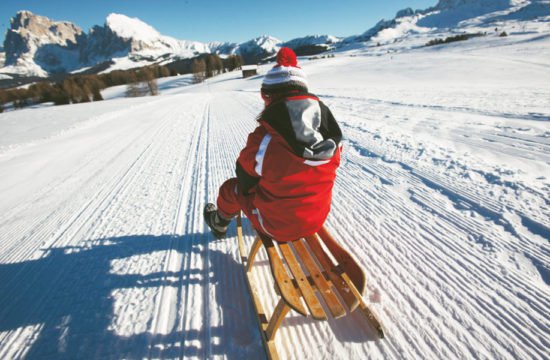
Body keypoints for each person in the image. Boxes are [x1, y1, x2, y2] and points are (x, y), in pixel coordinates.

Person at [204, 47, 342, 242]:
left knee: (231, 189)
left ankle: (218, 222)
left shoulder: (265, 139)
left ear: (267, 97)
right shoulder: (330, 133)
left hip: (275, 228)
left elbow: (244, 178)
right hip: (317, 220)